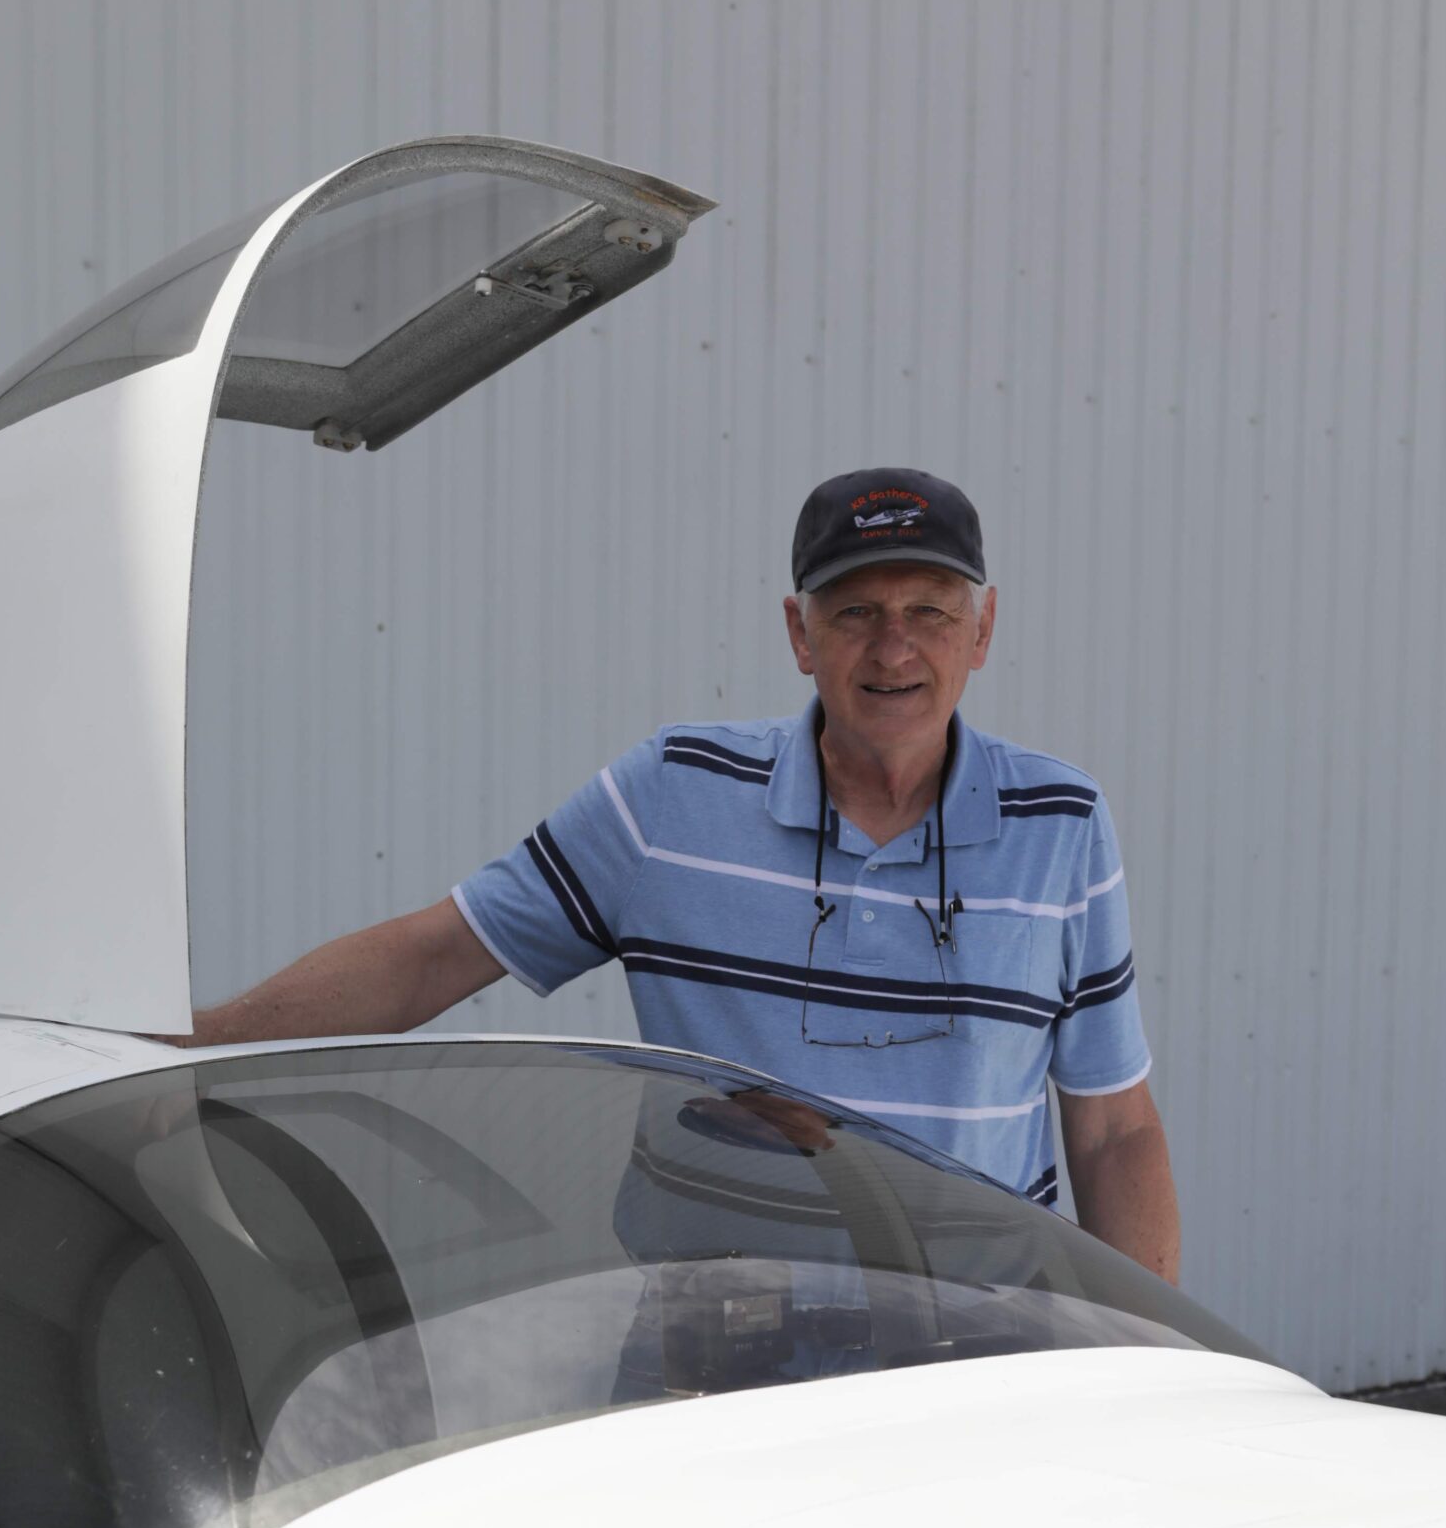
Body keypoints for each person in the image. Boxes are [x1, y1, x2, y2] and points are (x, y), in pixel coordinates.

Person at [185, 468, 1179, 1280]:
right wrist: (186, 1049)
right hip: (714, 1357)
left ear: (982, 629)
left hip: (984, 1363)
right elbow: (436, 954)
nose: (894, 647)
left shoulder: (1060, 823)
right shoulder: (671, 795)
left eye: (930, 609)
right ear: (799, 632)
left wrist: (1156, 1364)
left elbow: (1112, 1132)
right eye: (854, 612)